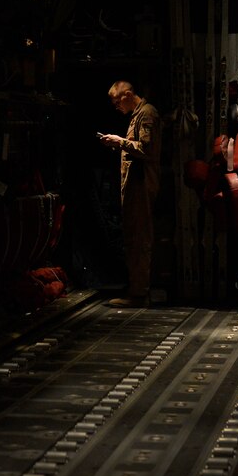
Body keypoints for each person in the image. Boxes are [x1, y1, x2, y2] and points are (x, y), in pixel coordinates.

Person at [98, 81, 161, 307]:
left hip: (141, 186)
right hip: (134, 187)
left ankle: (139, 293)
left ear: (127, 94)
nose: (116, 107)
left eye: (117, 101)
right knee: (134, 237)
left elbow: (146, 148)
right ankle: (138, 288)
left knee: (139, 238)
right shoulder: (137, 115)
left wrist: (119, 141)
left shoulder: (146, 114)